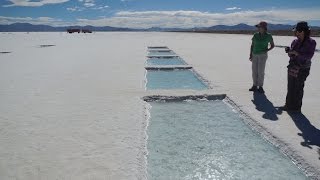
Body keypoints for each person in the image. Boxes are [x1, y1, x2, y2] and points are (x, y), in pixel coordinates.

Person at [281, 21, 317, 113]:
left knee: (298, 87)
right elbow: (292, 55)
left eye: (297, 31)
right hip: (292, 66)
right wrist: (290, 53)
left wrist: (297, 53)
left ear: (302, 31)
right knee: (290, 86)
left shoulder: (311, 42)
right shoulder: (295, 42)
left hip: (303, 68)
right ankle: (288, 105)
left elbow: (309, 56)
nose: (296, 33)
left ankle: (296, 108)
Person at [249, 21, 275, 93]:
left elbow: (272, 45)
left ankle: (260, 86)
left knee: (260, 71)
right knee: (254, 71)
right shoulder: (255, 35)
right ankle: (254, 85)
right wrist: (250, 54)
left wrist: (267, 50)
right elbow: (252, 45)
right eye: (258, 27)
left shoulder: (268, 36)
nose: (258, 28)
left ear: (264, 28)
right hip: (254, 54)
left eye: (260, 27)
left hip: (263, 55)